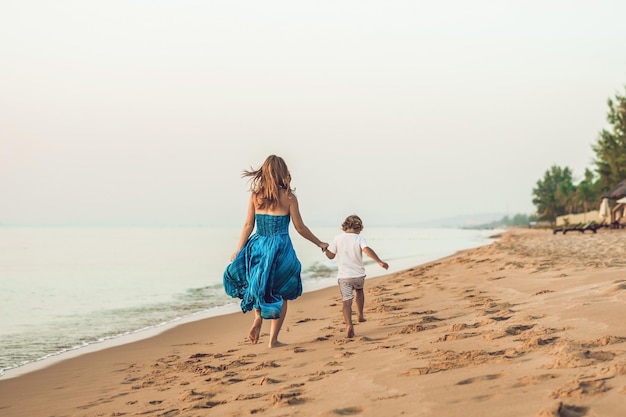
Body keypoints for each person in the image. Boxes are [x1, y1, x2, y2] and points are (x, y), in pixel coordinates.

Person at [223, 155, 328, 348]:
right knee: (282, 291)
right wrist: (319, 243)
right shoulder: (289, 197)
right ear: (282, 172)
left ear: (263, 172)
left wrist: (239, 250)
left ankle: (257, 318)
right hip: (281, 247)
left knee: (257, 283)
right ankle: (273, 340)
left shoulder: (256, 196)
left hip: (259, 245)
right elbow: (300, 228)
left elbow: (248, 224)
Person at [324, 214, 388, 338]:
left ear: (345, 226)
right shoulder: (359, 238)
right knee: (359, 291)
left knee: (346, 301)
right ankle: (360, 314)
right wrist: (379, 262)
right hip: (358, 275)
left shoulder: (337, 238)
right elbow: (367, 250)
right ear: (359, 227)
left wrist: (325, 250)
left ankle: (349, 325)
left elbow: (331, 256)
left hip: (344, 277)